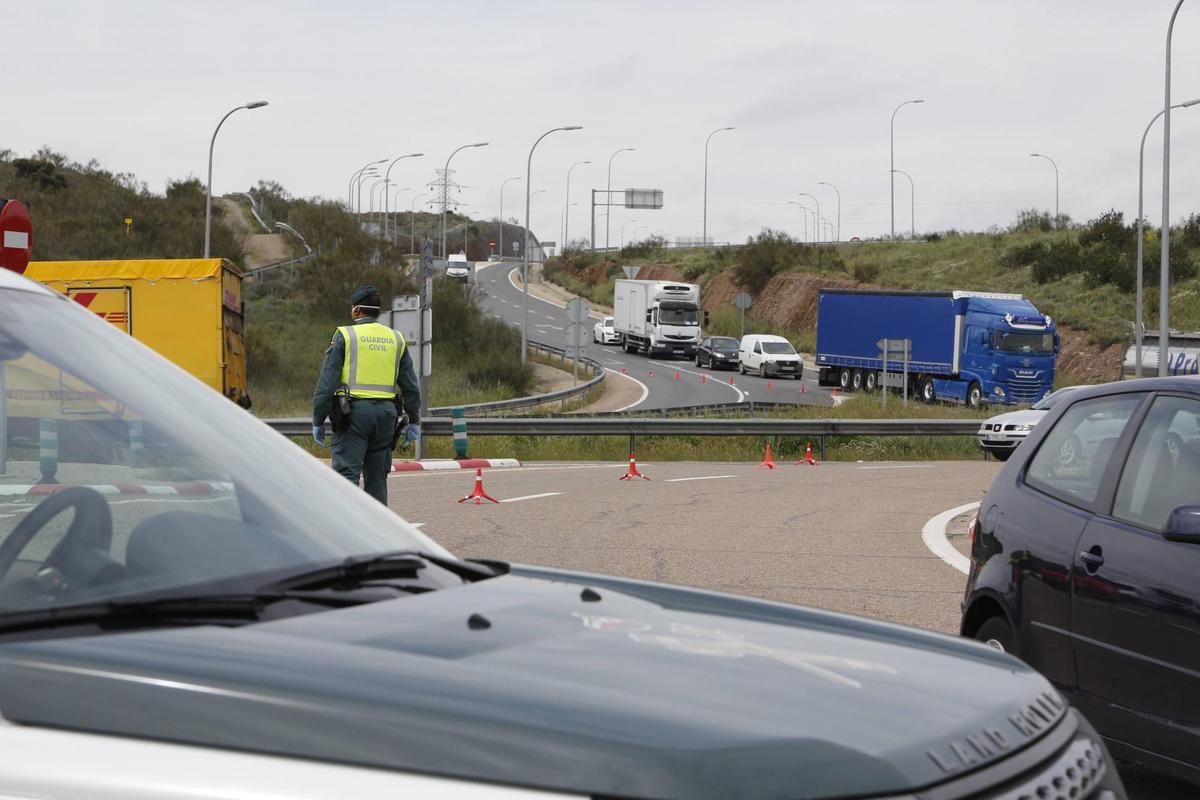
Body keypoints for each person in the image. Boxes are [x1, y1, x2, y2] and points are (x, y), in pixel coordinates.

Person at [312, 285, 420, 505]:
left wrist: (317, 418)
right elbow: (410, 386)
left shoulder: (345, 335)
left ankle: (347, 533)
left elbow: (327, 382)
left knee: (346, 476)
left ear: (356, 310)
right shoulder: (396, 338)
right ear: (377, 311)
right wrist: (415, 420)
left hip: (353, 416)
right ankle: (377, 533)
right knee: (377, 479)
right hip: (386, 418)